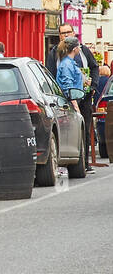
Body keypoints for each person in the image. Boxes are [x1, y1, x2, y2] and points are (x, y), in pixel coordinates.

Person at [47, 22, 99, 166]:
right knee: (68, 131)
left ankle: (85, 163)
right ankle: (70, 162)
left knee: (85, 129)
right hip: (66, 100)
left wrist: (93, 85)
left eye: (68, 32)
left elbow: (94, 67)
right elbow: (51, 75)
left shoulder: (83, 51)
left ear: (74, 33)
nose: (66, 35)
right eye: (63, 33)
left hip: (85, 97)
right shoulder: (55, 54)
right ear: (59, 36)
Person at [56, 38, 85, 110]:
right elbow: (68, 86)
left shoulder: (69, 63)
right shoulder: (67, 64)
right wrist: (75, 105)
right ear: (75, 49)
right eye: (79, 47)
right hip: (69, 104)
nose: (80, 49)